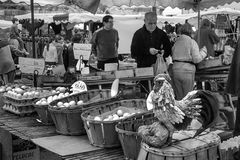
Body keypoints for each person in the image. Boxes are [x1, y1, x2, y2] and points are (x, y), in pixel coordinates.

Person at [131, 12, 172, 94]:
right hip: (144, 69)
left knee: (161, 94)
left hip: (159, 69)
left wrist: (164, 52)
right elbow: (134, 52)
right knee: (146, 93)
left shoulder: (162, 34)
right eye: (150, 23)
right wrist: (148, 51)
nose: (152, 25)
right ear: (144, 21)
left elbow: (168, 49)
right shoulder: (138, 34)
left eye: (154, 23)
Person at [171, 24, 207, 100]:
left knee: (179, 97)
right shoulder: (192, 42)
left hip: (175, 70)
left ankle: (180, 111)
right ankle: (186, 111)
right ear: (190, 32)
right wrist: (203, 52)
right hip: (187, 71)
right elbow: (196, 59)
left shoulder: (176, 42)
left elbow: (172, 53)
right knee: (188, 98)